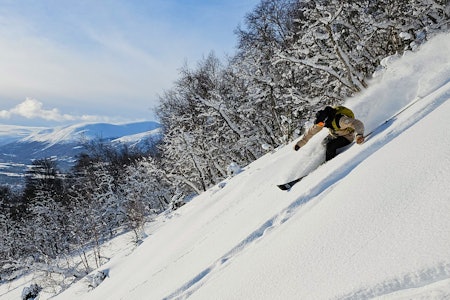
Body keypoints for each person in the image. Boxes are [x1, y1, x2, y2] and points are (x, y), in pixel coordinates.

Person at [294, 106, 365, 161]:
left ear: (326, 119)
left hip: (347, 136)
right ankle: (324, 159)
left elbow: (357, 123)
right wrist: (299, 144)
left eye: (321, 123)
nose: (321, 125)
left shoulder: (340, 121)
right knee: (322, 144)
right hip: (335, 135)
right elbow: (311, 132)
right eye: (320, 124)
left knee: (330, 146)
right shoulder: (323, 123)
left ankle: (329, 164)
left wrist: (359, 135)